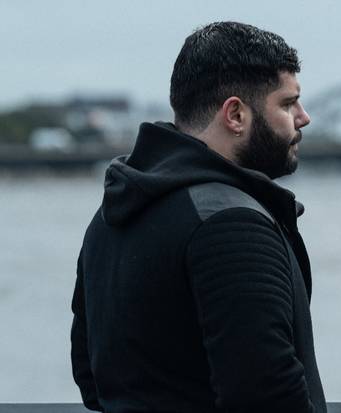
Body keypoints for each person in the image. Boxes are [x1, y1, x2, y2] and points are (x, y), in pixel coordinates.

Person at [70, 22, 325, 412]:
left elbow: (91, 378)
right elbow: (267, 397)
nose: (303, 117)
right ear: (235, 115)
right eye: (288, 104)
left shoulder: (113, 213)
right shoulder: (232, 224)